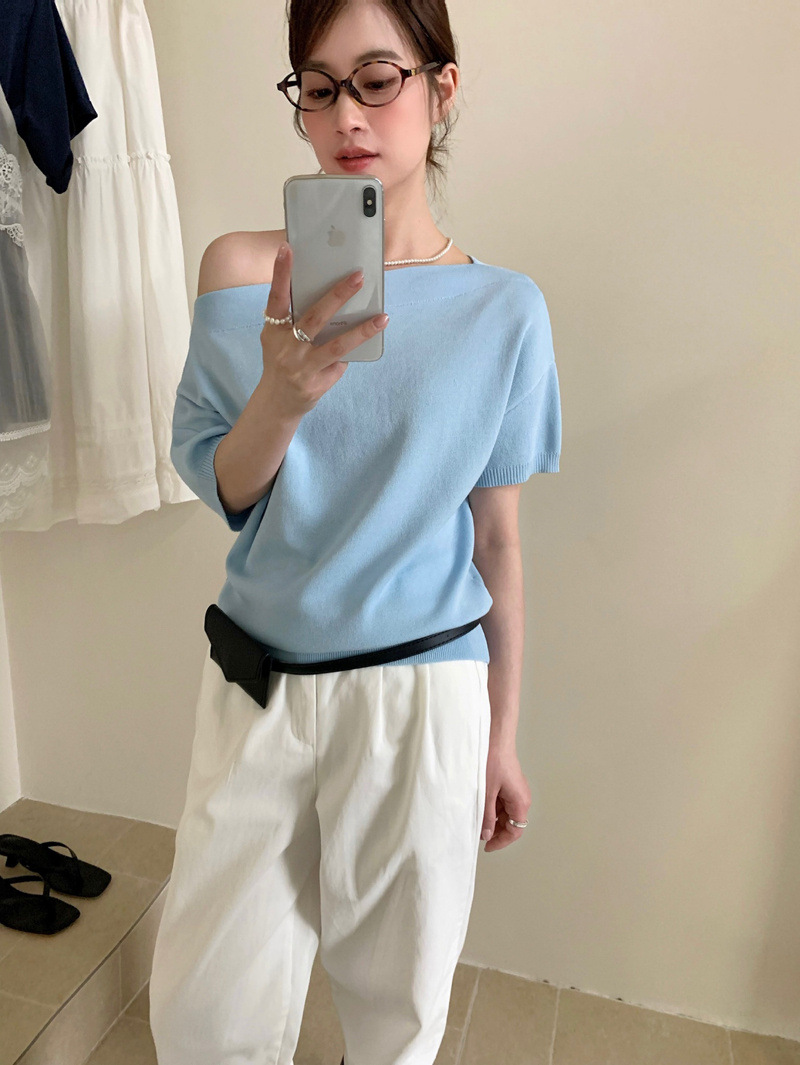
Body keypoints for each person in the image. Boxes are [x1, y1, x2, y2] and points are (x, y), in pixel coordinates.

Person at [149, 1, 561, 1063]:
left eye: (378, 79)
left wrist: (501, 736)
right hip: (257, 686)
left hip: (422, 697)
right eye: (319, 87)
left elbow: (497, 543)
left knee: (395, 1019)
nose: (347, 116)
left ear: (440, 87)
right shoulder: (240, 274)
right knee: (205, 1019)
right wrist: (281, 397)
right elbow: (228, 488)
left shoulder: (504, 310)